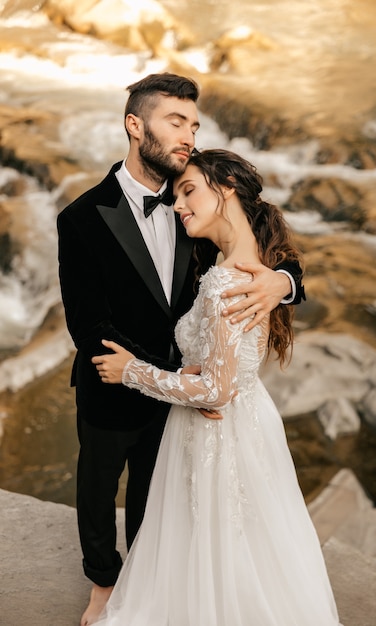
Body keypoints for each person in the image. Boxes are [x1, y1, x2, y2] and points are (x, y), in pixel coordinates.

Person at [57, 73, 305, 626]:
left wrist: (281, 282)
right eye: (175, 122)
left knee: (158, 497)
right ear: (135, 125)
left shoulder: (194, 206)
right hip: (116, 377)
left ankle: (150, 579)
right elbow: (87, 322)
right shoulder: (80, 218)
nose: (188, 134)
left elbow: (269, 245)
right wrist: (169, 372)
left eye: (194, 124)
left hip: (182, 391)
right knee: (99, 488)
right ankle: (103, 579)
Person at [91, 148, 341, 626]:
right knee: (244, 543)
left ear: (225, 188)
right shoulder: (249, 263)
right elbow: (221, 368)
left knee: (218, 540)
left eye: (189, 191)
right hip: (247, 421)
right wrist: (192, 370)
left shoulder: (229, 280)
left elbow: (218, 392)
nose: (178, 205)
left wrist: (132, 371)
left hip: (220, 428)